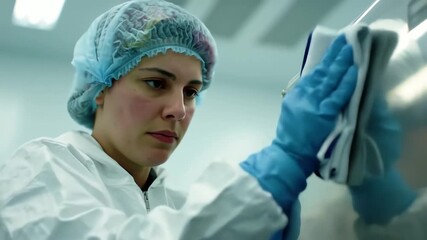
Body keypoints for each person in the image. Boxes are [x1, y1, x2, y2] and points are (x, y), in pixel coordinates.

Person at [0, 0, 424, 239]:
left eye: (191, 91)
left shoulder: (179, 204)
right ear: (101, 89)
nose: (178, 109)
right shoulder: (42, 169)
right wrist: (280, 166)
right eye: (155, 83)